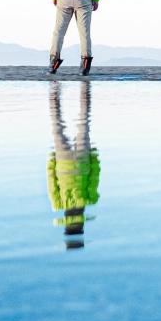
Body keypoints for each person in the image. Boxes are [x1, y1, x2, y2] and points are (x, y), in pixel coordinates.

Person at [47, 81, 99, 249]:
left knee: (83, 124)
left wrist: (94, 157)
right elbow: (51, 181)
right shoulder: (58, 204)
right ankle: (59, 93)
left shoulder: (89, 200)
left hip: (81, 160)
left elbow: (94, 177)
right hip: (63, 161)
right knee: (57, 124)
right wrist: (52, 160)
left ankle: (83, 90)